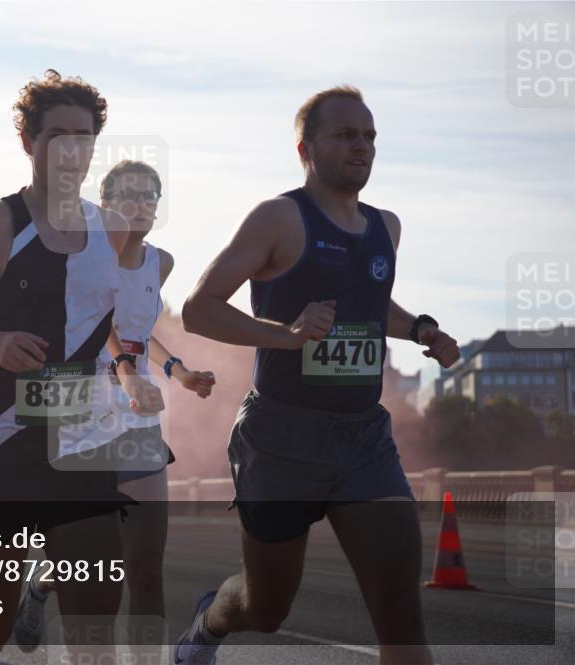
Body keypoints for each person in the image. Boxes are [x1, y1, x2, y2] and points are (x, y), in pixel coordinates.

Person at [175, 85, 462, 665]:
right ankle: (208, 624)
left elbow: (372, 302)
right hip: (281, 437)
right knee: (265, 609)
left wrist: (423, 330)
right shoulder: (279, 217)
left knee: (402, 618)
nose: (362, 146)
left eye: (370, 136)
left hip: (363, 438)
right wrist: (285, 334)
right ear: (305, 149)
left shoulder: (387, 227)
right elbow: (199, 308)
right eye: (346, 134)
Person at [0, 69, 163, 665]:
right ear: (29, 142)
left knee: (96, 621)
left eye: (84, 136)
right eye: (57, 136)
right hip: (3, 445)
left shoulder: (112, 229)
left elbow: (105, 322)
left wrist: (130, 373)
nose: (72, 149)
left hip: (84, 443)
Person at [11, 161, 217, 652]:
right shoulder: (79, 257)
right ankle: (40, 585)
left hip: (138, 419)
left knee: (145, 568)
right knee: (90, 566)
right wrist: (124, 369)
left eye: (149, 195)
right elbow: (97, 321)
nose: (139, 204)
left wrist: (178, 371)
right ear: (103, 202)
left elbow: (140, 330)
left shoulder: (159, 262)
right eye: (126, 195)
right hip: (80, 417)